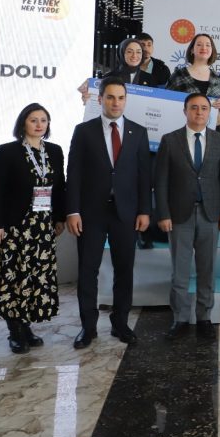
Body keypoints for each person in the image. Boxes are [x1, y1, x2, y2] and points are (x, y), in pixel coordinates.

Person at [66, 77, 152, 349]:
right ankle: (88, 327)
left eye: (121, 97)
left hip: (126, 214)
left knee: (124, 270)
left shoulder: (138, 132)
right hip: (91, 213)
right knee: (88, 270)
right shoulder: (84, 131)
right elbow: (74, 173)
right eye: (111, 97)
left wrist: (144, 210)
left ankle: (120, 323)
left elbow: (144, 176)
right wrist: (72, 211)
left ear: (126, 100)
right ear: (100, 99)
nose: (116, 103)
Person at [0, 104, 66, 354]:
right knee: (14, 279)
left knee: (33, 278)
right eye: (33, 120)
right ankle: (15, 331)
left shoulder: (54, 151)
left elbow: (60, 187)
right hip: (14, 227)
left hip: (42, 228)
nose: (39, 125)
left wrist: (59, 217)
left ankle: (26, 326)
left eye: (44, 120)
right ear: (23, 123)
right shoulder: (7, 152)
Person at [155, 93, 220, 341]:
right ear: (185, 111)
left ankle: (204, 317)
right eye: (194, 108)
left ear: (210, 112)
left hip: (210, 214)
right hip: (179, 216)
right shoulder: (170, 140)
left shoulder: (219, 140)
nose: (199, 112)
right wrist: (163, 213)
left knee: (207, 269)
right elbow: (161, 181)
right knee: (180, 271)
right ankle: (179, 319)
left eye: (204, 108)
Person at [167, 33, 220, 132]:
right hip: (184, 130)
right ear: (192, 50)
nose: (204, 48)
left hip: (214, 132)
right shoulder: (179, 75)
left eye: (208, 45)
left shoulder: (218, 78)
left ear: (212, 50)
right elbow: (167, 103)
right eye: (199, 44)